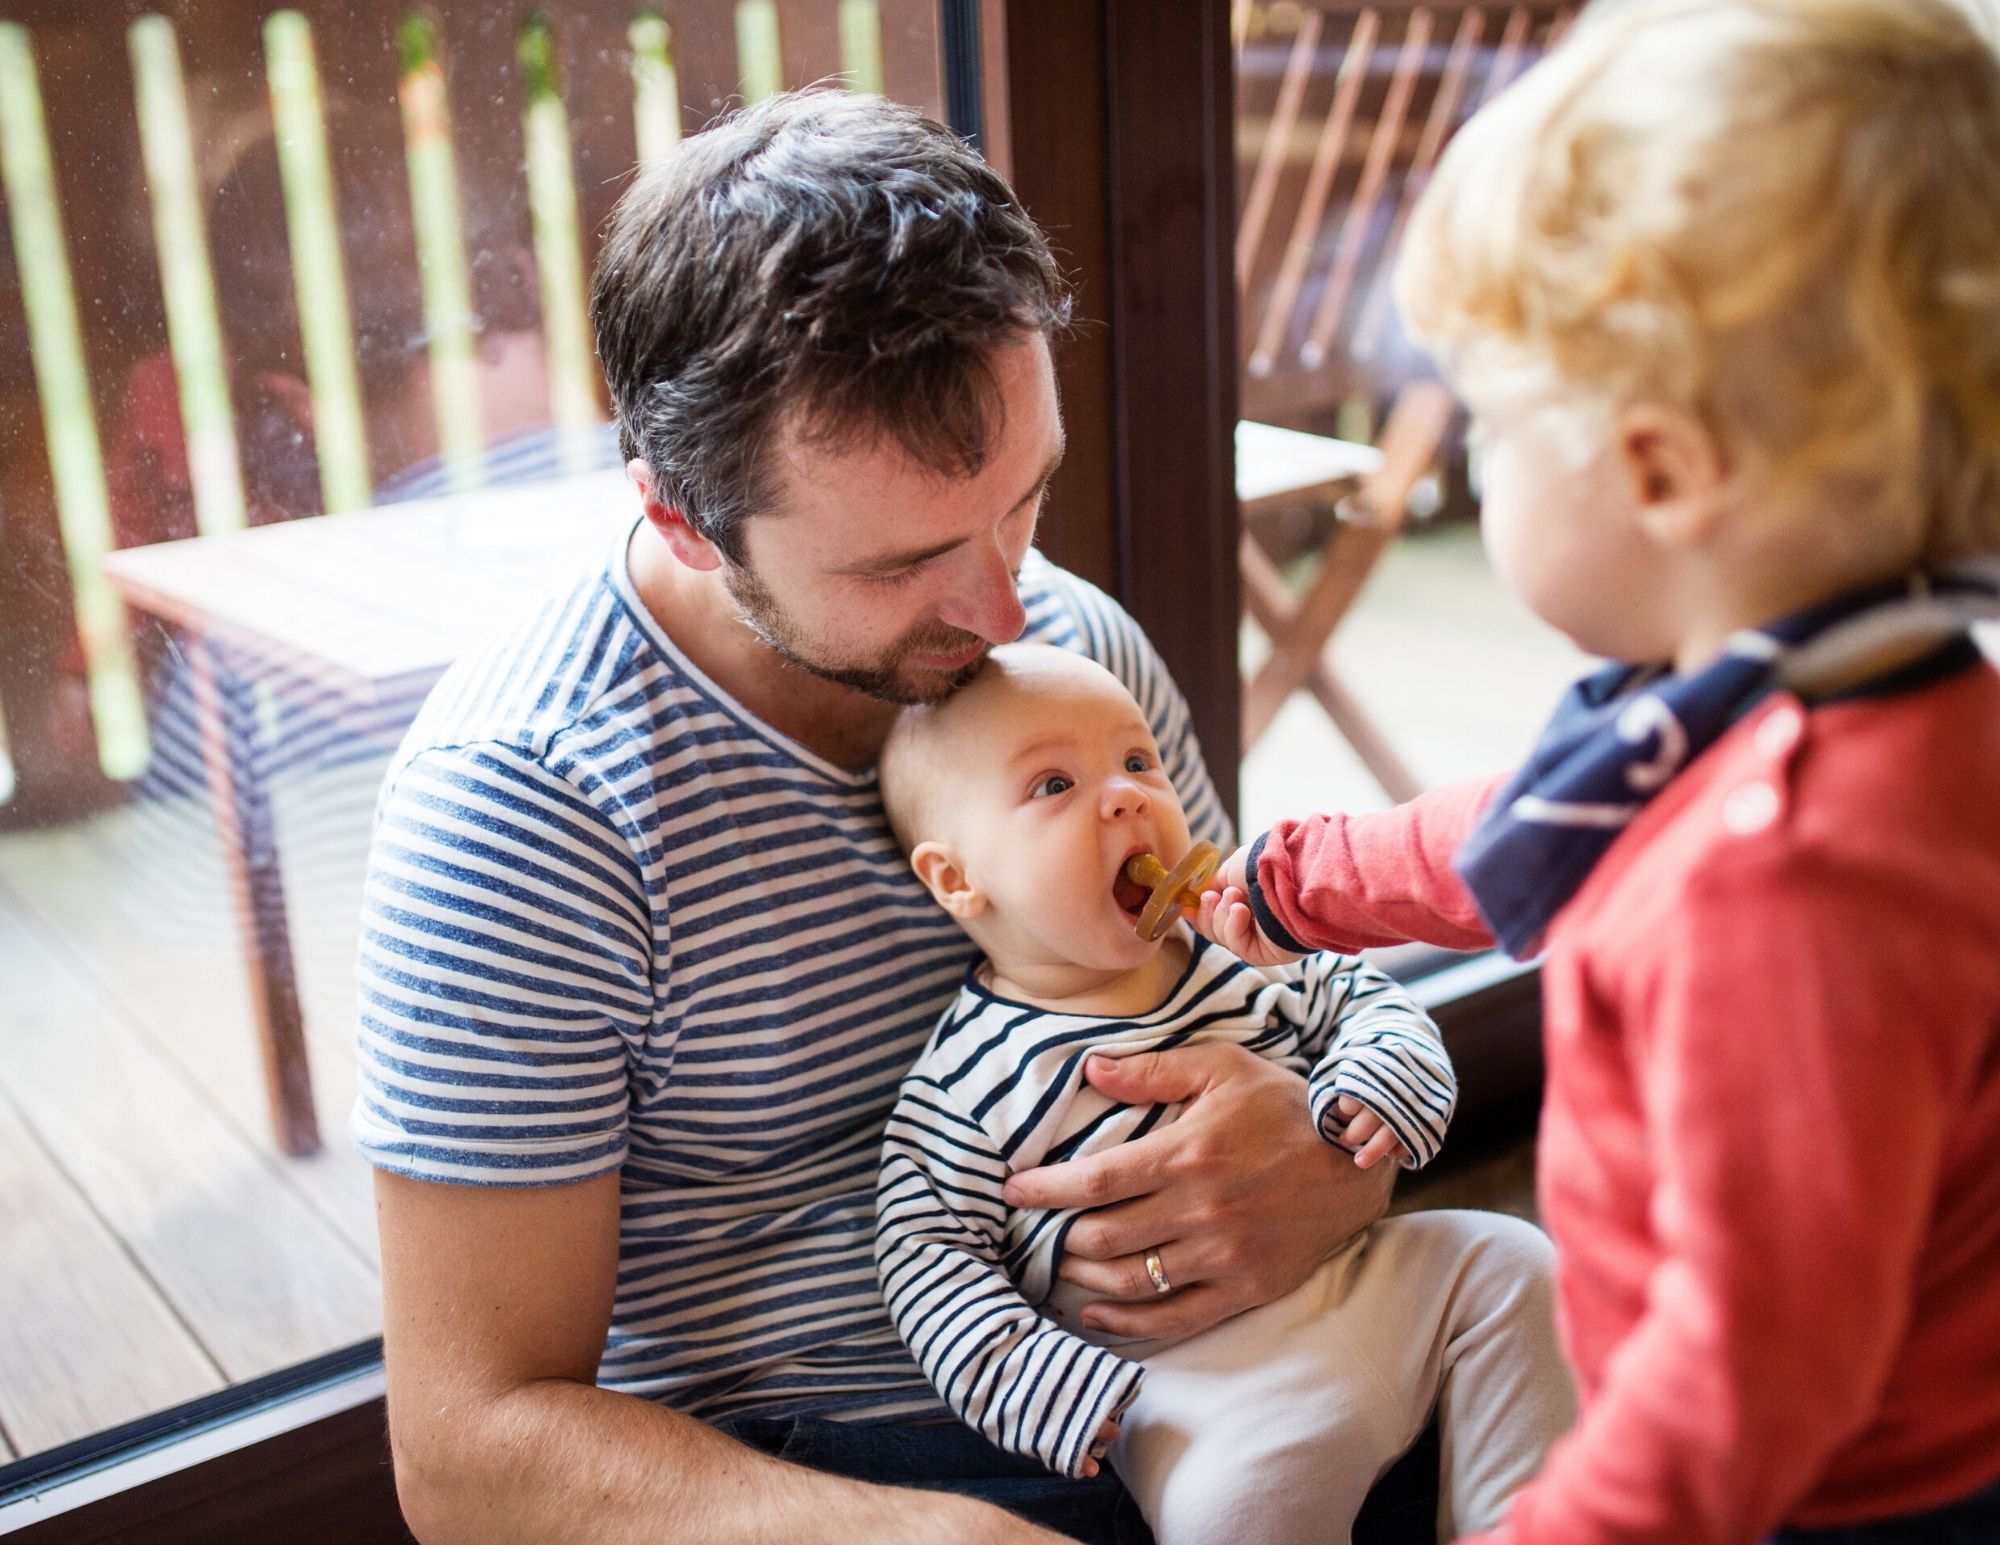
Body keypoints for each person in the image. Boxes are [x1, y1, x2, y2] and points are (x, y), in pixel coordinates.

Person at [358, 89, 1415, 1545]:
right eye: (903, 564)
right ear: (682, 518)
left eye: (1022, 501)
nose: (1002, 608)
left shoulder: (1071, 646)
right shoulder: (526, 808)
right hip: (828, 1465)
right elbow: (469, 1451)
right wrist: (925, 1536)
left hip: (1237, 1365)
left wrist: (1332, 1162)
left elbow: (1270, 994)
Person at [1194, 3, 2000, 1541]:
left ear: (1657, 470)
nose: (1464, 467)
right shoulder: (1837, 697)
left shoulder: (1787, 885)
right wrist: (1304, 886)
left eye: (1491, 427)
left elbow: (1745, 1386)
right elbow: (1528, 826)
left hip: (1849, 1495)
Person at [873, 643, 1575, 1545]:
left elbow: (1369, 1001)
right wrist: (1045, 1386)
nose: (1125, 796)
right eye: (1054, 785)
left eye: (1136, 762)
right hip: (1198, 1393)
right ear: (957, 878)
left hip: (1371, 1280)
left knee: (1515, 1264)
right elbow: (924, 1257)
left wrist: (1374, 1083)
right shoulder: (963, 1080)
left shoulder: (1233, 948)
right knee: (1230, 1515)